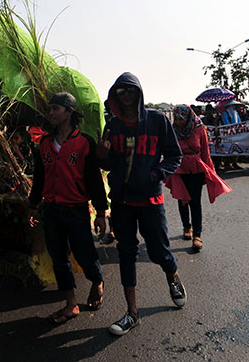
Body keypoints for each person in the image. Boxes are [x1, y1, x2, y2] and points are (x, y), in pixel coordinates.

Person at [96, 72, 185, 336]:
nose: (125, 95)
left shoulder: (157, 120)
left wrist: (156, 173)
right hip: (122, 200)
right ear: (114, 95)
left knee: (158, 251)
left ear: (139, 92)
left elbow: (174, 155)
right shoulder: (112, 125)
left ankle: (173, 277)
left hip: (150, 199)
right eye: (120, 91)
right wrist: (102, 155)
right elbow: (108, 164)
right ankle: (132, 313)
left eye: (130, 90)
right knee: (126, 253)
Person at [28, 92, 108, 324]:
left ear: (69, 112)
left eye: (56, 108)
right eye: (50, 109)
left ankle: (97, 280)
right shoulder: (43, 143)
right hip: (51, 210)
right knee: (58, 258)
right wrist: (33, 206)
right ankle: (71, 303)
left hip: (76, 209)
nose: (51, 113)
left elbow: (94, 180)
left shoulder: (84, 142)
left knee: (84, 254)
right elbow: (40, 178)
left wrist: (101, 213)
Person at [165, 105, 231, 253]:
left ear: (188, 117)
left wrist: (210, 172)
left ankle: (197, 235)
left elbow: (205, 153)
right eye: (176, 119)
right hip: (178, 169)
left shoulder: (200, 129)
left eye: (181, 119)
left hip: (196, 169)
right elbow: (168, 151)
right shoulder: (172, 130)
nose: (179, 122)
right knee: (182, 200)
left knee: (195, 202)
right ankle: (186, 227)